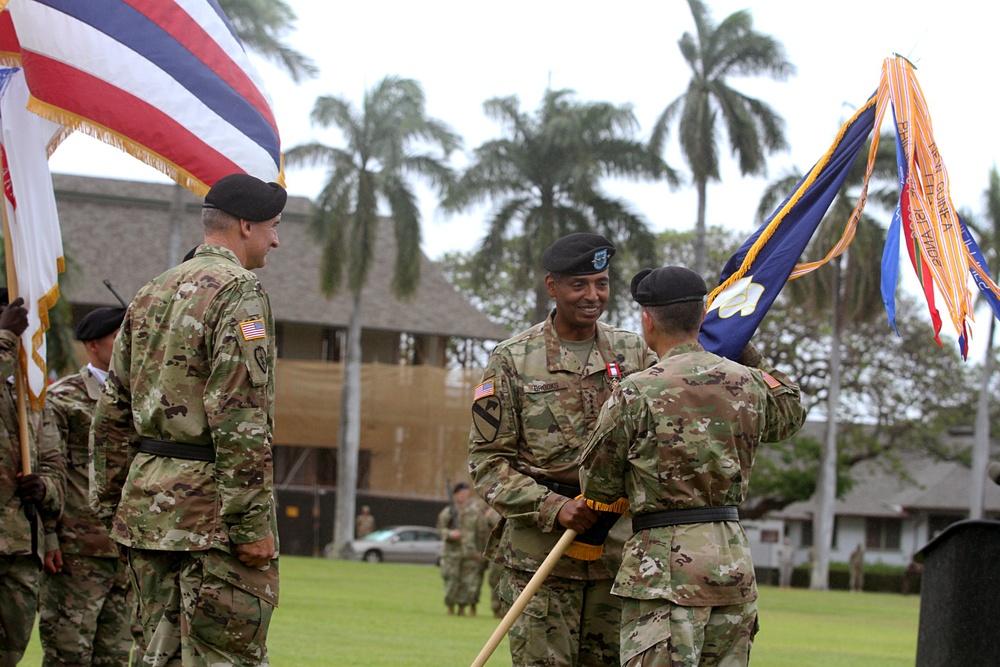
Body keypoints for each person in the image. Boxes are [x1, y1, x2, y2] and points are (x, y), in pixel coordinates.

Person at [90, 173, 286, 667]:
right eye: (273, 226)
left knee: (158, 657)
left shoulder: (150, 293)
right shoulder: (239, 292)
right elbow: (239, 417)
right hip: (212, 519)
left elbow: (112, 412)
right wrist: (251, 525)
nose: (277, 240)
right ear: (245, 225)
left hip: (146, 515)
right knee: (224, 658)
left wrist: (111, 506)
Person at [579, 266, 807, 667]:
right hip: (731, 565)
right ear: (702, 316)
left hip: (665, 569)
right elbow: (790, 409)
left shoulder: (636, 391)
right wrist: (745, 346)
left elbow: (597, 484)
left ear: (647, 321)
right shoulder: (747, 383)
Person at [468, 233, 657, 666]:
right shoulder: (513, 359)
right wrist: (553, 506)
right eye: (580, 285)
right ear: (552, 286)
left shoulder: (635, 352)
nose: (593, 296)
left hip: (617, 556)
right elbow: (487, 462)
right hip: (541, 558)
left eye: (602, 284)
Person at [39, 306, 134, 666]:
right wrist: (48, 536)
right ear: (94, 345)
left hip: (126, 548)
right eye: (119, 339)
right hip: (77, 550)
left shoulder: (143, 396)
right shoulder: (63, 398)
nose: (130, 345)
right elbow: (51, 471)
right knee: (68, 654)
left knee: (113, 656)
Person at [0, 292, 66, 666]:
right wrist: (5, 339)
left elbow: (55, 462)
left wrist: (45, 488)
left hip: (21, 550)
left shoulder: (31, 395)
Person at [436, 482, 490, 616]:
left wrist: (482, 552)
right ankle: (450, 607)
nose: (463, 496)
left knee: (468, 583)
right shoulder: (448, 512)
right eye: (460, 493)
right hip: (452, 553)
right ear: (455, 495)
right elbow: (440, 529)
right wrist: (450, 534)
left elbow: (481, 533)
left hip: (470, 553)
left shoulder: (475, 513)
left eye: (465, 493)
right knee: (452, 581)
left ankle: (462, 608)